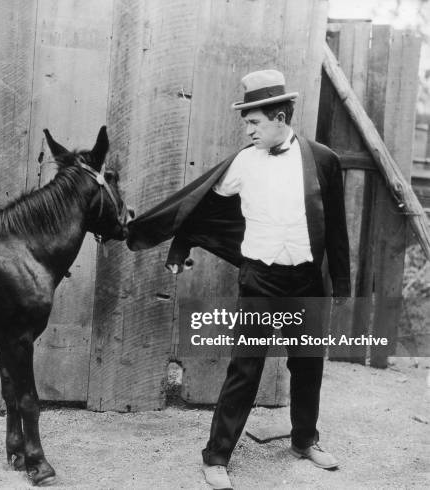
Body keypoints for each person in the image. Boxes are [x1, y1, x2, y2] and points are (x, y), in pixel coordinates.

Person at [126, 69, 350, 489]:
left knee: (307, 365)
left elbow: (337, 226)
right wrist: (180, 246)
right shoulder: (243, 164)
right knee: (246, 368)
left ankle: (304, 439)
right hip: (260, 280)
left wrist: (341, 283)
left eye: (254, 122)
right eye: (246, 122)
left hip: (308, 280)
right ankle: (216, 458)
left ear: (281, 118)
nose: (247, 131)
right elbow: (199, 206)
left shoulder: (323, 159)